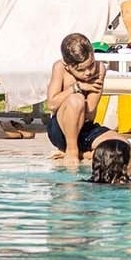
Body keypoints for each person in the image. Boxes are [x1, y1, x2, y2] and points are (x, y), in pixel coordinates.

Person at [45, 31, 108, 166]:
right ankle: (71, 150)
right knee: (76, 99)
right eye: (81, 70)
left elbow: (89, 113)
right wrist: (77, 87)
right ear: (67, 66)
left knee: (120, 145)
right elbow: (51, 105)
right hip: (61, 131)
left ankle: (80, 153)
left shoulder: (99, 69)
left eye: (91, 65)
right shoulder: (59, 68)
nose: (88, 72)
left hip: (85, 128)